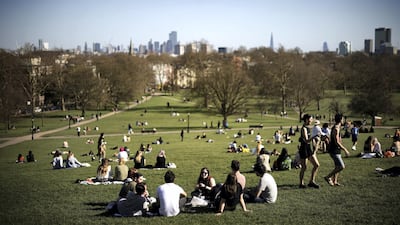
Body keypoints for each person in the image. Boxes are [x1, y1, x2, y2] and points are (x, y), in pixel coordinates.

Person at [324, 114, 350, 187]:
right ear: (340, 119)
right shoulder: (336, 128)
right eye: (343, 119)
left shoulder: (338, 127)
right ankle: (328, 177)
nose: (343, 120)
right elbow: (337, 142)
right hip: (334, 150)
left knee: (337, 166)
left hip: (337, 149)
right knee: (342, 166)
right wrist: (345, 149)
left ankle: (335, 181)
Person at [298, 114, 320, 189]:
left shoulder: (308, 128)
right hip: (304, 149)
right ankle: (301, 183)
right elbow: (307, 140)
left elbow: (310, 140)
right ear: (306, 120)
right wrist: (315, 136)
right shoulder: (303, 128)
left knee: (316, 165)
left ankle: (311, 181)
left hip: (309, 149)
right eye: (310, 119)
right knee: (304, 167)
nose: (311, 121)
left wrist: (315, 144)